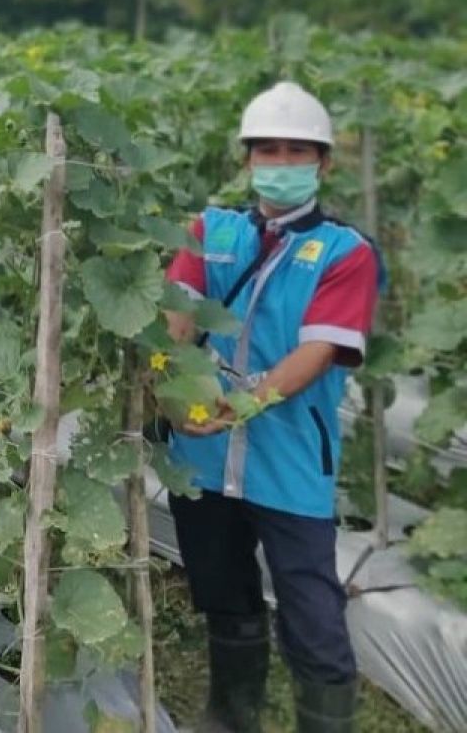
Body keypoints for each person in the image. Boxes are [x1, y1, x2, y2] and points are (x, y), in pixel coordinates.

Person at [163, 82, 382, 733]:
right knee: (225, 598)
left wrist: (239, 403)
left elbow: (318, 351)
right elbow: (173, 322)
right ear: (248, 159)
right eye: (267, 150)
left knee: (312, 613)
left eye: (296, 151)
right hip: (201, 458)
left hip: (289, 461)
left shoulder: (347, 252)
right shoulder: (211, 230)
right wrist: (170, 388)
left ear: (323, 164)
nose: (280, 162)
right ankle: (231, 717)